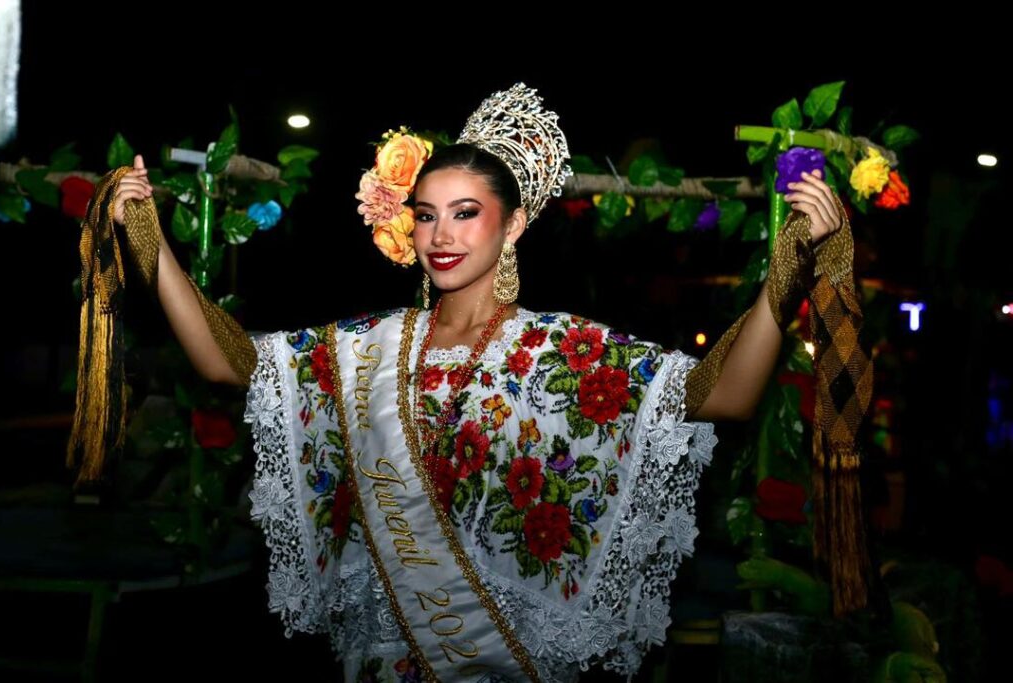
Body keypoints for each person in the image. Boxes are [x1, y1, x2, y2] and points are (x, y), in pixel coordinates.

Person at [106, 83, 848, 681]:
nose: (441, 235)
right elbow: (229, 361)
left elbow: (725, 394)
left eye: (466, 214)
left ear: (513, 225)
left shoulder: (563, 350)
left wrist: (786, 272)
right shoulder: (369, 346)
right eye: (426, 215)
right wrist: (149, 239)